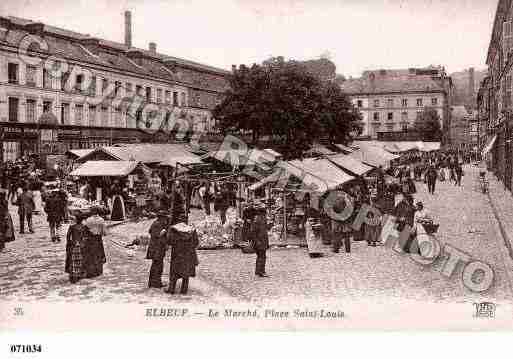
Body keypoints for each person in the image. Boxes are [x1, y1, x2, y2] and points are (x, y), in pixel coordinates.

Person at [165, 222, 199, 294]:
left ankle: (171, 290)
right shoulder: (192, 230)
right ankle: (184, 291)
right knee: (186, 273)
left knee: (174, 272)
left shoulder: (173, 229)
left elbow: (169, 241)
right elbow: (196, 242)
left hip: (177, 254)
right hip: (187, 255)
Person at [83, 206, 107, 278]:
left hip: (90, 240)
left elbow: (85, 230)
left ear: (92, 212)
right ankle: (98, 271)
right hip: (98, 239)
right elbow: (104, 232)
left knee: (90, 255)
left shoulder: (88, 220)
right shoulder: (101, 220)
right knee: (99, 254)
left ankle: (91, 271)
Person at [146, 210, 169, 288]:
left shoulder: (156, 223)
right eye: (164, 218)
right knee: (158, 266)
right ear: (161, 218)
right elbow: (159, 237)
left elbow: (149, 231)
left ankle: (153, 282)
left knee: (156, 265)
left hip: (155, 248)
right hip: (157, 249)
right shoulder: (158, 224)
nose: (165, 220)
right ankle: (156, 283)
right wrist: (163, 233)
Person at [65, 212, 88, 283]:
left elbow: (68, 237)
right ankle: (79, 274)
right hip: (81, 245)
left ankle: (73, 274)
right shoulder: (84, 227)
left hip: (73, 245)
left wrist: (68, 244)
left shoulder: (72, 227)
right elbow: (86, 237)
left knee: (73, 260)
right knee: (80, 259)